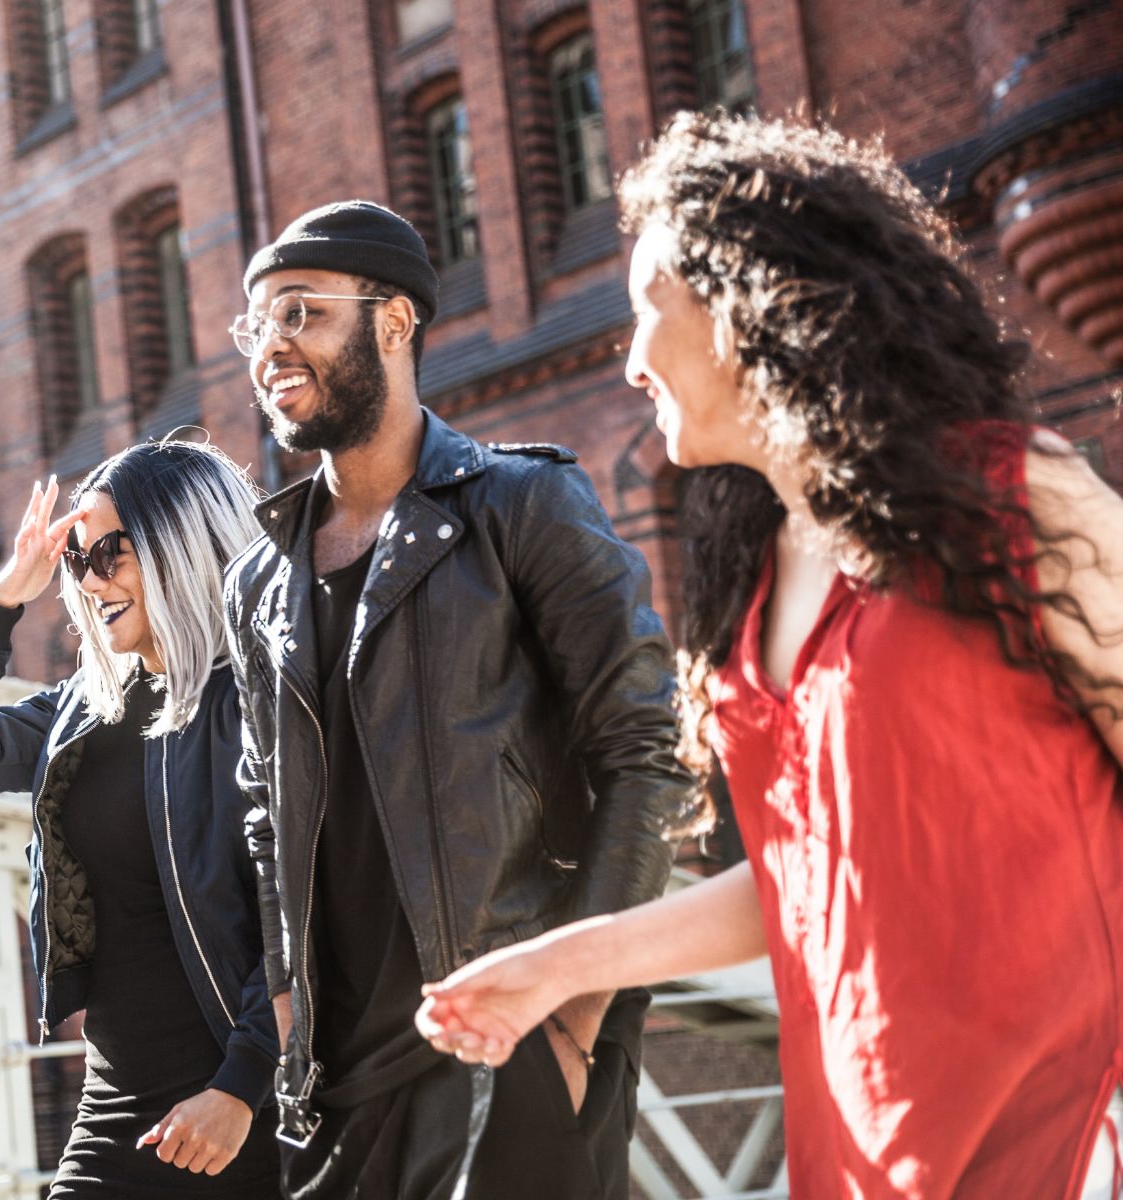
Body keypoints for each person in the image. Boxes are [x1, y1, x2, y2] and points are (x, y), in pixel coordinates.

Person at [417, 111, 1123, 1200]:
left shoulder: (1011, 495)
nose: (633, 357)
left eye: (653, 308)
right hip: (862, 1153)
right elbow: (813, 878)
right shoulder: (758, 582)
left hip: (1058, 1150)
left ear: (755, 303)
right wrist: (558, 965)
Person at [222, 200, 695, 1199]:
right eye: (256, 325)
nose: (271, 347)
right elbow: (266, 815)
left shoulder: (520, 507)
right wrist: (283, 1008)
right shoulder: (256, 582)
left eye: (301, 312)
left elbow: (645, 750)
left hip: (506, 1042)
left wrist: (573, 1017)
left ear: (393, 322)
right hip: (334, 1079)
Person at [0, 440, 283, 1197]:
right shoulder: (87, 707)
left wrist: (242, 1086)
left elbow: (310, 915)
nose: (88, 580)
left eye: (110, 552)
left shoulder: (261, 702)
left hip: (246, 1101)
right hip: (117, 1103)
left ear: (184, 543)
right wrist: (4, 600)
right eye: (76, 561)